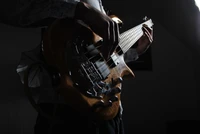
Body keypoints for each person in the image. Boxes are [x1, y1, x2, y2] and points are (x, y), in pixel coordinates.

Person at [0, 0, 153, 134]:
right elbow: (9, 7)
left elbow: (98, 59)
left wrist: (136, 52)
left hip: (110, 116)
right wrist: (81, 10)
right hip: (67, 115)